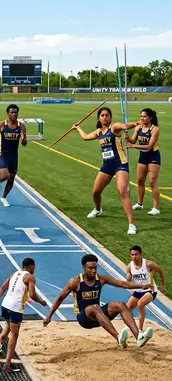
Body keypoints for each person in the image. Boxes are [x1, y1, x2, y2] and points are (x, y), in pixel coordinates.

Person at [43, 254, 154, 348]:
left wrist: (141, 285)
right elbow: (59, 298)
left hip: (100, 316)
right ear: (84, 268)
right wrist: (49, 316)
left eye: (95, 268)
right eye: (90, 268)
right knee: (95, 307)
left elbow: (122, 284)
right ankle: (118, 337)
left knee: (120, 304)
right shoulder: (75, 282)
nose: (93, 271)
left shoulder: (100, 279)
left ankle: (139, 336)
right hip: (84, 318)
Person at [72, 106, 140, 235]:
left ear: (110, 117)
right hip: (107, 165)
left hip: (120, 164)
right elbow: (86, 137)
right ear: (99, 118)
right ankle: (98, 210)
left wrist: (135, 123)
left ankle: (131, 224)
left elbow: (125, 126)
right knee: (95, 192)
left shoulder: (114, 127)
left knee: (122, 192)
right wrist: (77, 128)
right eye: (102, 115)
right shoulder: (98, 132)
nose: (105, 117)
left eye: (107, 115)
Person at [0, 258, 46, 374]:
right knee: (14, 335)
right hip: (15, 308)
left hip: (5, 305)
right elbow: (32, 295)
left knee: (9, 325)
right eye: (34, 266)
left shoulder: (14, 274)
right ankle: (7, 365)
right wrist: (41, 302)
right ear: (30, 266)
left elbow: (4, 286)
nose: (35, 268)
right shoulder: (30, 277)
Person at [0, 104, 27, 207]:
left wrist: (23, 138)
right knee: (5, 175)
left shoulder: (21, 126)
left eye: (15, 112)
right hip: (2, 153)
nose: (14, 114)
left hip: (14, 155)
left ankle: (3, 197)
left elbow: (24, 143)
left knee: (11, 178)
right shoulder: (2, 125)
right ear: (8, 114)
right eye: (12, 112)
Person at [127, 108, 161, 216]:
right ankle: (139, 203)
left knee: (152, 182)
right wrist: (127, 138)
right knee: (140, 181)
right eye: (141, 116)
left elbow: (149, 146)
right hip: (143, 156)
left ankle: (156, 208)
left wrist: (133, 146)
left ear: (150, 117)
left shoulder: (154, 129)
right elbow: (133, 140)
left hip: (153, 156)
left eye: (144, 116)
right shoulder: (138, 128)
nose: (142, 118)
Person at [125, 245, 166, 334]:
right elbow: (128, 283)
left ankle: (139, 330)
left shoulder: (148, 264)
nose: (134, 257)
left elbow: (161, 272)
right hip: (138, 291)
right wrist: (131, 283)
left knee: (140, 304)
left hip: (150, 291)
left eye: (136, 254)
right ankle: (129, 327)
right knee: (126, 309)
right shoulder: (129, 267)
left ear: (141, 255)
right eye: (132, 255)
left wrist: (163, 286)